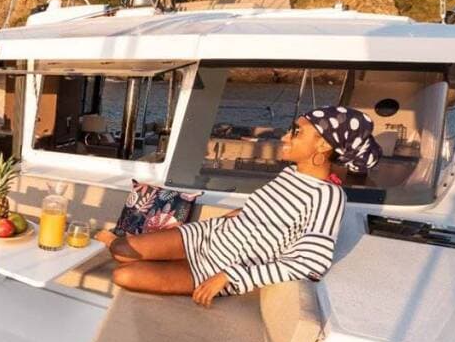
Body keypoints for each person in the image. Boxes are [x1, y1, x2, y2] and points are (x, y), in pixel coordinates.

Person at [95, 106, 381, 307]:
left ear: (323, 146)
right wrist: (226, 219)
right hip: (206, 237)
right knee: (121, 249)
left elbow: (311, 263)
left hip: (224, 267)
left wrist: (232, 276)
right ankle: (131, 249)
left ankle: (155, 261)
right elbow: (258, 212)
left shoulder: (328, 196)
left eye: (296, 133)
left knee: (123, 275)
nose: (285, 137)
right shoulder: (290, 174)